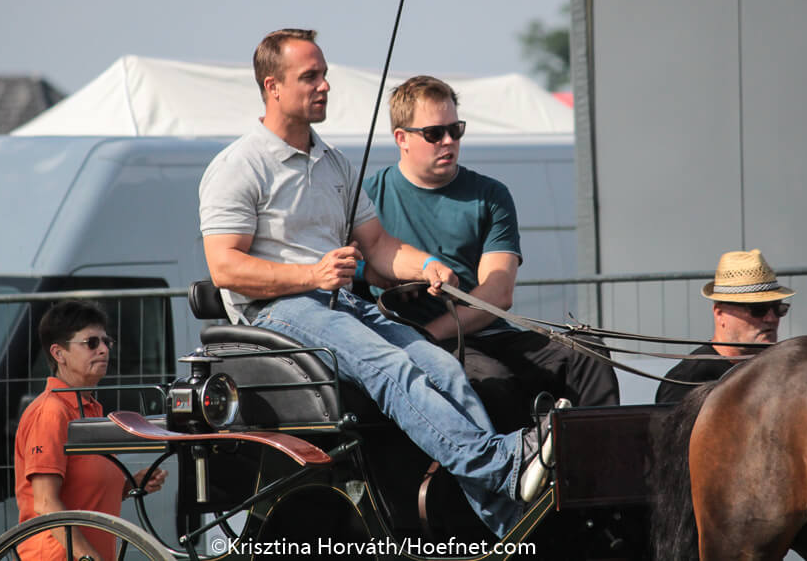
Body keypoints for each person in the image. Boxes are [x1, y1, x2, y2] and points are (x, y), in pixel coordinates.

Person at [198, 29, 548, 537]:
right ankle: (505, 465)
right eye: (310, 77)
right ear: (272, 86)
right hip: (274, 311)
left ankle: (510, 530)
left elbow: (379, 247)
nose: (324, 86)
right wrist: (311, 274)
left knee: (444, 369)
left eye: (324, 75)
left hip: (334, 303)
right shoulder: (239, 166)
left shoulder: (335, 163)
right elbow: (225, 268)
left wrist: (425, 264)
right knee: (391, 366)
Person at [361, 75, 619, 432]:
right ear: (401, 138)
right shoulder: (367, 199)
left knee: (588, 352)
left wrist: (431, 333)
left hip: (483, 331)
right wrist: (417, 334)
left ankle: (600, 457)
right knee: (493, 380)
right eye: (435, 133)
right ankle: (516, 464)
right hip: (416, 345)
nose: (449, 141)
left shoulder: (491, 194)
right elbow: (347, 268)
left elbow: (498, 293)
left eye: (456, 130)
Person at [14, 300, 167, 561]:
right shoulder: (51, 411)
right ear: (59, 353)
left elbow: (84, 493)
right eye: (91, 343)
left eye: (106, 341)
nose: (104, 349)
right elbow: (45, 502)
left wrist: (130, 485)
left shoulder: (90, 409)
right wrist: (89, 557)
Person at [655, 248, 795, 404]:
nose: (771, 318)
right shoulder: (686, 380)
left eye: (778, 308)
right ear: (720, 313)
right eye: (758, 309)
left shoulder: (784, 373)